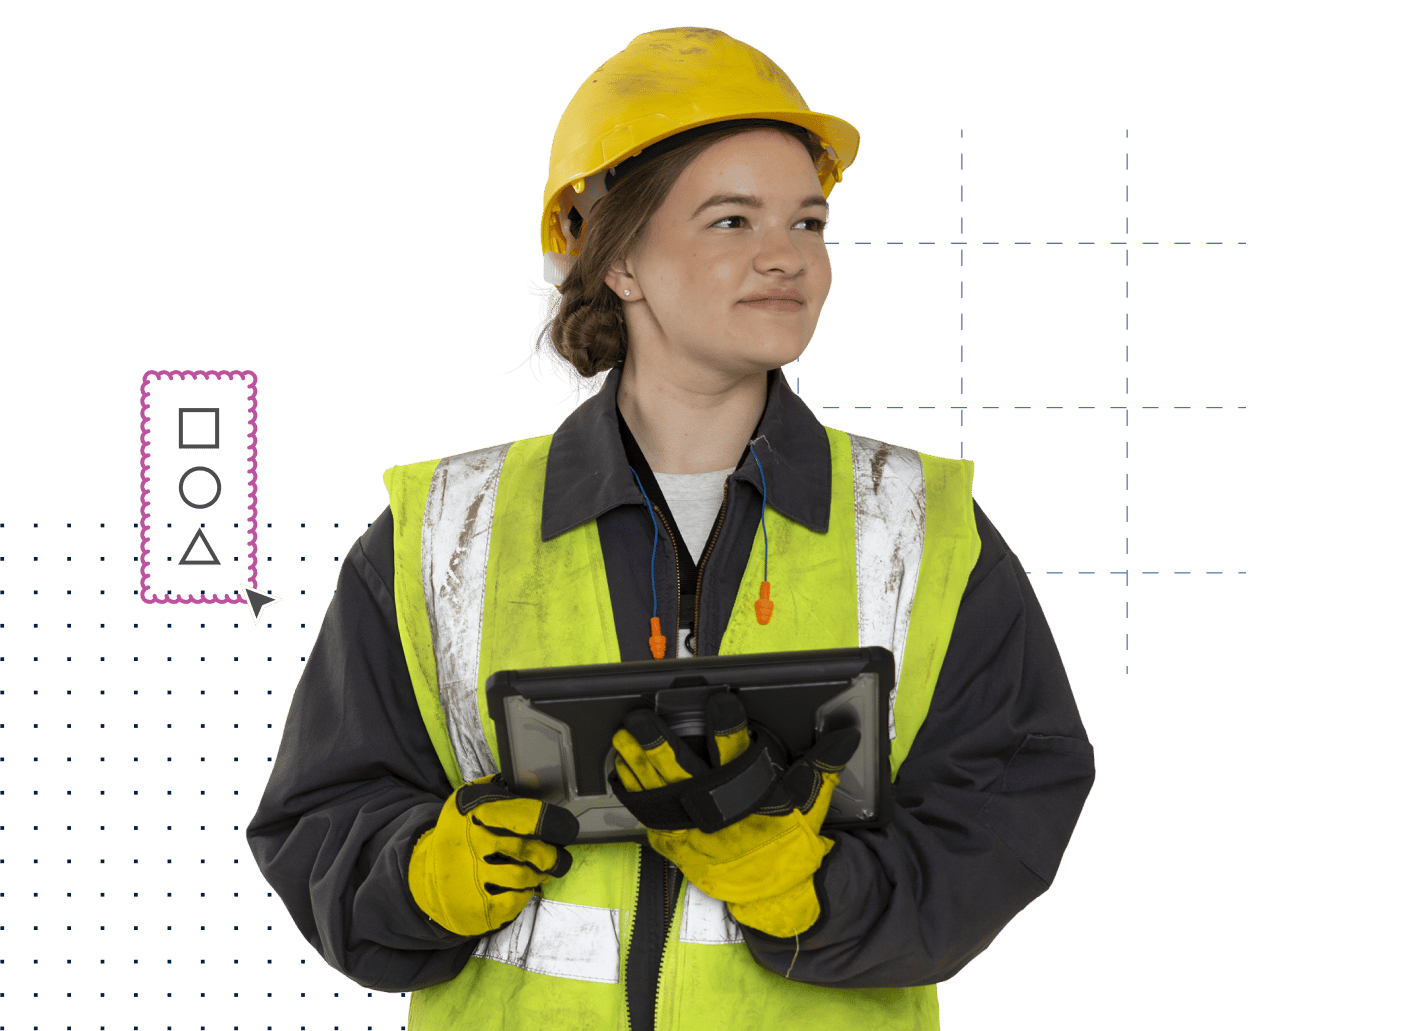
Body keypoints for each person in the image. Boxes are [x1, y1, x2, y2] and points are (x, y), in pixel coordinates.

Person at [246, 25, 1096, 1031]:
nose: (786, 258)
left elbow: (1006, 805)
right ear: (618, 262)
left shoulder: (920, 522)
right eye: (731, 221)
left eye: (809, 223)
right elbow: (318, 817)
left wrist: (806, 891)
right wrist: (420, 877)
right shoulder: (439, 530)